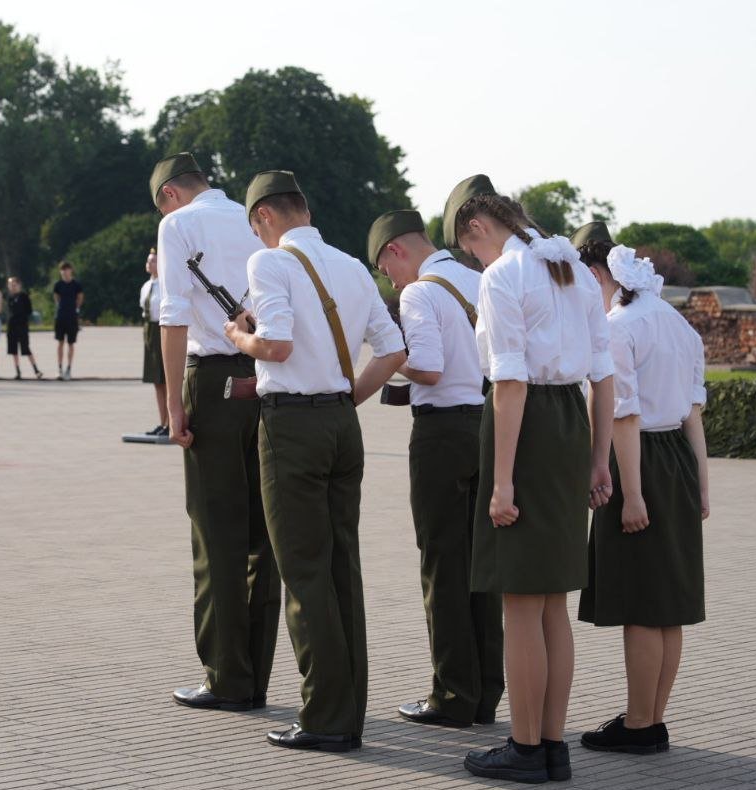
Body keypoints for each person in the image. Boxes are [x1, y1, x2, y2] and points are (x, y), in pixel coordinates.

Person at [225, 170, 406, 752]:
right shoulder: (352, 265)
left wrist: (239, 338)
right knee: (340, 568)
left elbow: (275, 345)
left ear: (263, 219)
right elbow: (395, 347)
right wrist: (347, 393)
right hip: (340, 424)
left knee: (303, 571)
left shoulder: (269, 264)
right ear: (302, 208)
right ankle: (346, 707)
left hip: (293, 427)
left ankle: (326, 717)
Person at [445, 176, 614, 784]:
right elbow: (604, 375)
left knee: (519, 598)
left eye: (470, 250)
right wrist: (600, 460)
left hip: (528, 427)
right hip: (570, 421)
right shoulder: (570, 267)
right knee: (551, 605)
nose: (474, 260)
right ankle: (550, 746)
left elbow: (509, 383)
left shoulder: (503, 276)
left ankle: (523, 747)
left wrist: (502, 482)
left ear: (478, 229)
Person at [571, 222, 709, 756]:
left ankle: (638, 724)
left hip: (641, 461)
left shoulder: (617, 327)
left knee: (641, 605)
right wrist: (702, 482)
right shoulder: (676, 322)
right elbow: (693, 414)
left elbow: (624, 419)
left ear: (598, 273)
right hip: (676, 456)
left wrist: (631, 495)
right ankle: (651, 718)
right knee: (667, 603)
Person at [150, 152, 280, 717]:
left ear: (168, 196)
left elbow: (174, 316)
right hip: (269, 377)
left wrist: (176, 405)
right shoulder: (256, 219)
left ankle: (227, 677)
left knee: (215, 536)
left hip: (213, 382)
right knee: (263, 535)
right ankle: (255, 674)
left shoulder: (179, 225)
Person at [367, 210, 503, 730]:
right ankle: (487, 691)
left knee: (443, 566)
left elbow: (428, 366)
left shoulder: (420, 292)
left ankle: (451, 694)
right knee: (482, 567)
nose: (390, 280)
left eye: (386, 268)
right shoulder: (477, 278)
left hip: (442, 436)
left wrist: (385, 349)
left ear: (396, 251)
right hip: (487, 425)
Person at [139, 248, 167, 435]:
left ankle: (170, 423)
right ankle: (161, 421)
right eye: (149, 261)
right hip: (149, 329)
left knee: (165, 379)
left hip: (161, 329)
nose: (150, 264)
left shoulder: (165, 285)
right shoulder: (146, 286)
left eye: (154, 260)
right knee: (156, 380)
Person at [5, 277, 43, 379]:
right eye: (10, 285)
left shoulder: (24, 296)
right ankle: (18, 371)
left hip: (22, 325)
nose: (12, 287)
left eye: (14, 284)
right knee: (13, 350)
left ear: (19, 285)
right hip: (12, 325)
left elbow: (29, 310)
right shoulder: (10, 298)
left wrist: (23, 318)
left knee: (26, 348)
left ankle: (36, 369)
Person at [52, 262, 83, 380]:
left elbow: (80, 297)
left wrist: (76, 308)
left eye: (67, 269)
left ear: (71, 271)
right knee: (60, 342)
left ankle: (69, 368)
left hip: (72, 316)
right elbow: (56, 298)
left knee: (71, 343)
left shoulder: (76, 285)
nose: (65, 272)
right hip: (60, 316)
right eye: (62, 270)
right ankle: (59, 368)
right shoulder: (58, 285)